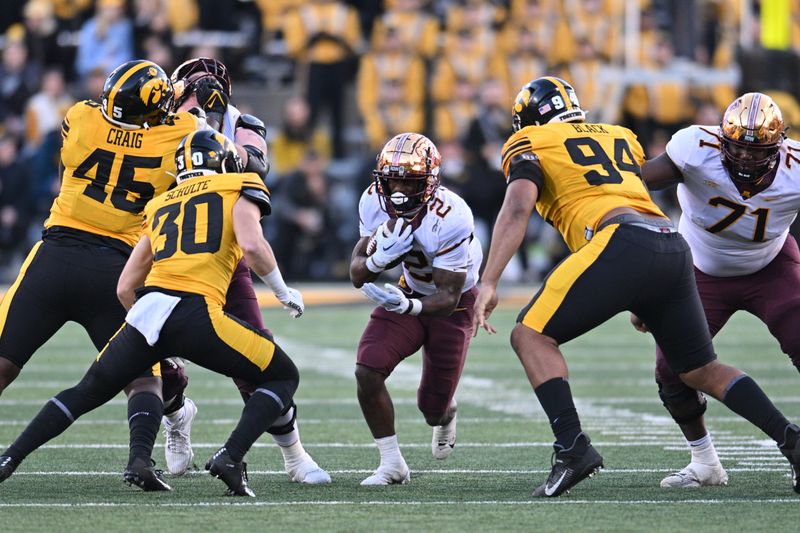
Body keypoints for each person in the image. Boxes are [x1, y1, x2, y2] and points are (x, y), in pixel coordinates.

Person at [472, 76, 800, 497]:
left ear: (528, 120)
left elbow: (518, 206)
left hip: (621, 241)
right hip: (672, 243)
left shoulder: (531, 139)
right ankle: (790, 439)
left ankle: (572, 448)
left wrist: (490, 280)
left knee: (530, 335)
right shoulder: (620, 134)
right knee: (697, 370)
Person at [0, 130, 301, 497]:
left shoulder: (161, 203)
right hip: (196, 309)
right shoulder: (237, 185)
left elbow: (126, 286)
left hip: (148, 311)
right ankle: (231, 456)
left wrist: (154, 335)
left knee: (86, 390)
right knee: (283, 375)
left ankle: (9, 458)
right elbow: (253, 245)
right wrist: (284, 293)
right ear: (222, 162)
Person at [0, 59, 205, 491]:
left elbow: (68, 168)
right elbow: (191, 127)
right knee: (144, 377)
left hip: (54, 256)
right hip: (116, 269)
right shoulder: (179, 134)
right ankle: (138, 460)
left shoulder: (80, 115)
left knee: (2, 362)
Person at [164, 56, 330, 484]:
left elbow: (254, 167)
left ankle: (294, 456)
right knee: (143, 361)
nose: (205, 89)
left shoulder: (242, 123)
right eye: (197, 84)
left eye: (212, 83)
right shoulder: (160, 124)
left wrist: (204, 133)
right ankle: (176, 416)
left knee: (258, 359)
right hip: (168, 257)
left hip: (225, 257)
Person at [631, 92, 800, 489]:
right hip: (698, 270)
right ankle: (705, 463)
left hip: (770, 265)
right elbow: (636, 185)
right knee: (671, 370)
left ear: (779, 146)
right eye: (738, 148)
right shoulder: (694, 148)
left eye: (756, 151)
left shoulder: (796, 168)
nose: (744, 159)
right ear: (721, 139)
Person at [350, 132, 483, 485]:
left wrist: (408, 305)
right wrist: (378, 258)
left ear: (429, 182)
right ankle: (392, 463)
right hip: (409, 289)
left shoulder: (452, 214)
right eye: (391, 180)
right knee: (368, 369)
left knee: (432, 409)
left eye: (409, 183)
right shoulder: (372, 201)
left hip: (451, 307)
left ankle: (447, 411)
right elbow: (356, 273)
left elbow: (448, 297)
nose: (397, 190)